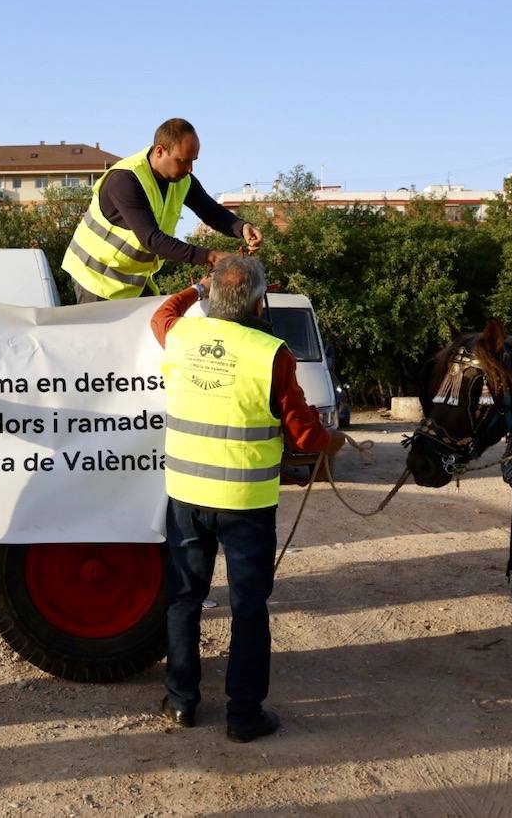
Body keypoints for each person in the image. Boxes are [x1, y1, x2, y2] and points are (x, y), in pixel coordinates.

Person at [151, 256, 345, 742]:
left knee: (183, 599)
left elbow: (162, 312)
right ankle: (243, 715)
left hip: (186, 497)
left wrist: (198, 285)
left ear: (213, 296)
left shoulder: (180, 334)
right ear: (261, 302)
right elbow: (304, 434)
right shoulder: (272, 353)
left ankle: (181, 702)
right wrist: (333, 441)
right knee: (248, 606)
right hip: (245, 502)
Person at [62, 117, 263, 304]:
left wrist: (242, 227)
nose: (190, 168)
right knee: (106, 341)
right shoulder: (124, 180)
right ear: (159, 151)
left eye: (193, 160)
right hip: (95, 278)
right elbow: (152, 240)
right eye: (182, 160)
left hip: (134, 282)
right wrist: (210, 256)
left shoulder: (182, 180)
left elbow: (210, 211)